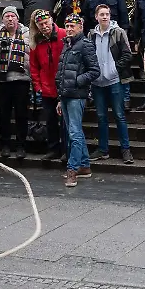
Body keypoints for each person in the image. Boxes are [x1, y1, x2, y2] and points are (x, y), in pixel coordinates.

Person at [57, 14, 100, 187]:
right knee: (75, 132)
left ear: (80, 27)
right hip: (66, 95)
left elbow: (95, 71)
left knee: (74, 133)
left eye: (72, 26)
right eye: (67, 26)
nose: (69, 29)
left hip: (77, 95)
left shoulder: (85, 45)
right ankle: (84, 166)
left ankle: (72, 169)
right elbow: (61, 73)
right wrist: (60, 98)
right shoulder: (67, 45)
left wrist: (77, 81)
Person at [88, 4, 133, 163]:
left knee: (119, 115)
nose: (105, 17)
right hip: (97, 83)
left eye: (107, 14)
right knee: (101, 117)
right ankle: (103, 149)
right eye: (102, 14)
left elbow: (127, 55)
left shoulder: (118, 33)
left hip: (114, 80)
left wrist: (115, 69)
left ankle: (125, 149)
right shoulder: (91, 35)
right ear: (96, 17)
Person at [0, 6, 32, 159]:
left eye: (12, 16)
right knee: (4, 114)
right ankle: (5, 144)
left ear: (17, 18)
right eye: (7, 16)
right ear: (2, 19)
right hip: (3, 80)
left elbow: (32, 55)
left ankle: (21, 145)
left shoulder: (27, 34)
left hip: (22, 79)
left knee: (21, 114)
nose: (10, 19)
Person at [30, 10, 67, 161]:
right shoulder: (36, 42)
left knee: (65, 122)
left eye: (46, 23)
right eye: (41, 24)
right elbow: (34, 67)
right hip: (46, 88)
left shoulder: (63, 35)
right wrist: (38, 86)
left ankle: (66, 149)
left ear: (52, 21)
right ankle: (53, 149)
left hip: (64, 85)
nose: (44, 26)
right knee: (50, 120)